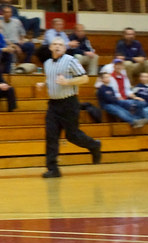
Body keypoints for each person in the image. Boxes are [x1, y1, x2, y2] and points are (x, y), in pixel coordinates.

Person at [37, 38, 102, 178]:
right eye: (55, 44)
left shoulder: (70, 60)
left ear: (65, 48)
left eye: (61, 44)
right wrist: (44, 84)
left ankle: (94, 145)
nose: (58, 46)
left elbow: (85, 78)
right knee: (51, 136)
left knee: (72, 136)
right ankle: (53, 169)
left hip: (69, 103)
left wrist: (68, 82)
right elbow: (51, 78)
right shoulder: (47, 63)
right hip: (53, 105)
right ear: (50, 47)